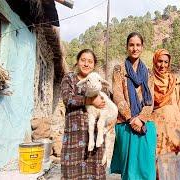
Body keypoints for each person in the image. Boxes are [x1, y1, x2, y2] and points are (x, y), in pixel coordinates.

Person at [110, 32, 157, 180]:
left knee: (147, 170)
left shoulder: (149, 73)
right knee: (129, 171)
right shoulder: (119, 70)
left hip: (145, 124)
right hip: (126, 124)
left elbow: (150, 101)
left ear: (142, 47)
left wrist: (141, 118)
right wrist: (131, 118)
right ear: (127, 47)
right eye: (131, 45)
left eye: (138, 45)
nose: (134, 48)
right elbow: (117, 95)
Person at [60, 49, 106, 179]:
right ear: (77, 61)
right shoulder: (69, 78)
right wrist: (90, 100)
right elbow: (67, 99)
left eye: (90, 61)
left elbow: (105, 104)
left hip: (94, 135)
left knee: (94, 171)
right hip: (74, 136)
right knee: (72, 171)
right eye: (83, 60)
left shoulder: (97, 81)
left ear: (94, 65)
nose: (86, 64)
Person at [151, 49, 180, 179]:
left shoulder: (174, 82)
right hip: (158, 131)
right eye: (160, 61)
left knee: (178, 162)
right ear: (155, 61)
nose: (162, 65)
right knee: (160, 164)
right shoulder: (148, 81)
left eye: (165, 62)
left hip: (175, 129)